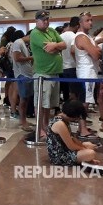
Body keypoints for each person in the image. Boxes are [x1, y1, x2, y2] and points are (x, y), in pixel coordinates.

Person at [30, 10, 66, 138]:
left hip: (54, 73)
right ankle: (39, 128)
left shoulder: (51, 31)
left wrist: (55, 45)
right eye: (43, 19)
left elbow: (64, 45)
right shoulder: (35, 33)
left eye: (47, 19)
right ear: (37, 21)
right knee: (40, 103)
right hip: (42, 74)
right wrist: (56, 46)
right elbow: (49, 50)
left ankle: (46, 126)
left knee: (49, 104)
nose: (46, 21)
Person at [47, 100, 99, 166]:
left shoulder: (63, 120)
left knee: (88, 144)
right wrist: (84, 149)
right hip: (60, 156)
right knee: (91, 153)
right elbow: (71, 146)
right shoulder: (60, 124)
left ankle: (84, 159)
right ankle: (84, 159)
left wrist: (84, 146)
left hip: (65, 149)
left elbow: (72, 139)